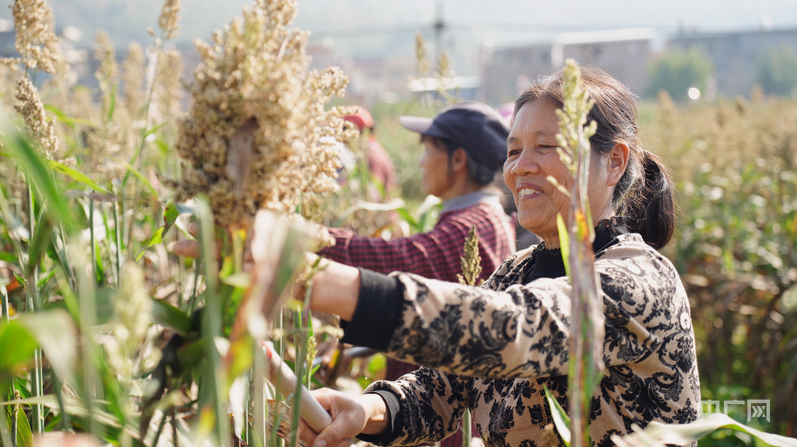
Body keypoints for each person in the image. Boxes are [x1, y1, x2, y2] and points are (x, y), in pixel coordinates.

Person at [292, 67, 701, 447]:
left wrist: (314, 278)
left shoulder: (641, 280)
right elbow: (444, 387)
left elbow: (511, 329)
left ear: (614, 162)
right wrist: (367, 410)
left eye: (546, 146)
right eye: (514, 150)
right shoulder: (516, 270)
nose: (520, 168)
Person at [320, 102, 516, 447]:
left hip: (443, 428)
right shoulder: (479, 217)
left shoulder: (473, 227)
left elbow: (395, 263)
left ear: (458, 160)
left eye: (428, 150)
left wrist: (309, 239)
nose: (421, 162)